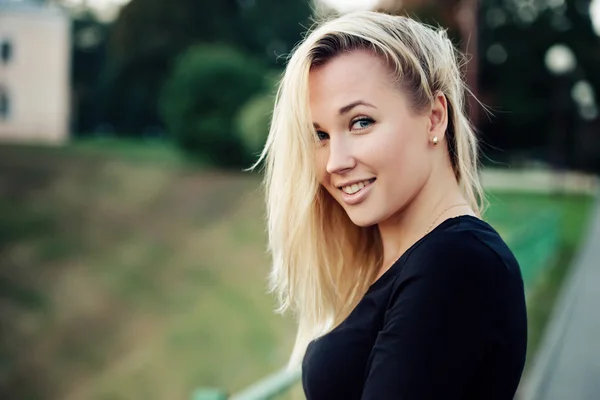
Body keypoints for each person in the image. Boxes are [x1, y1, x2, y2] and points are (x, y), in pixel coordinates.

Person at [253, 10, 527, 400]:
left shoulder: (455, 263)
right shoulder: (407, 264)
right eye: (320, 134)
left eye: (360, 122)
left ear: (434, 118)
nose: (335, 162)